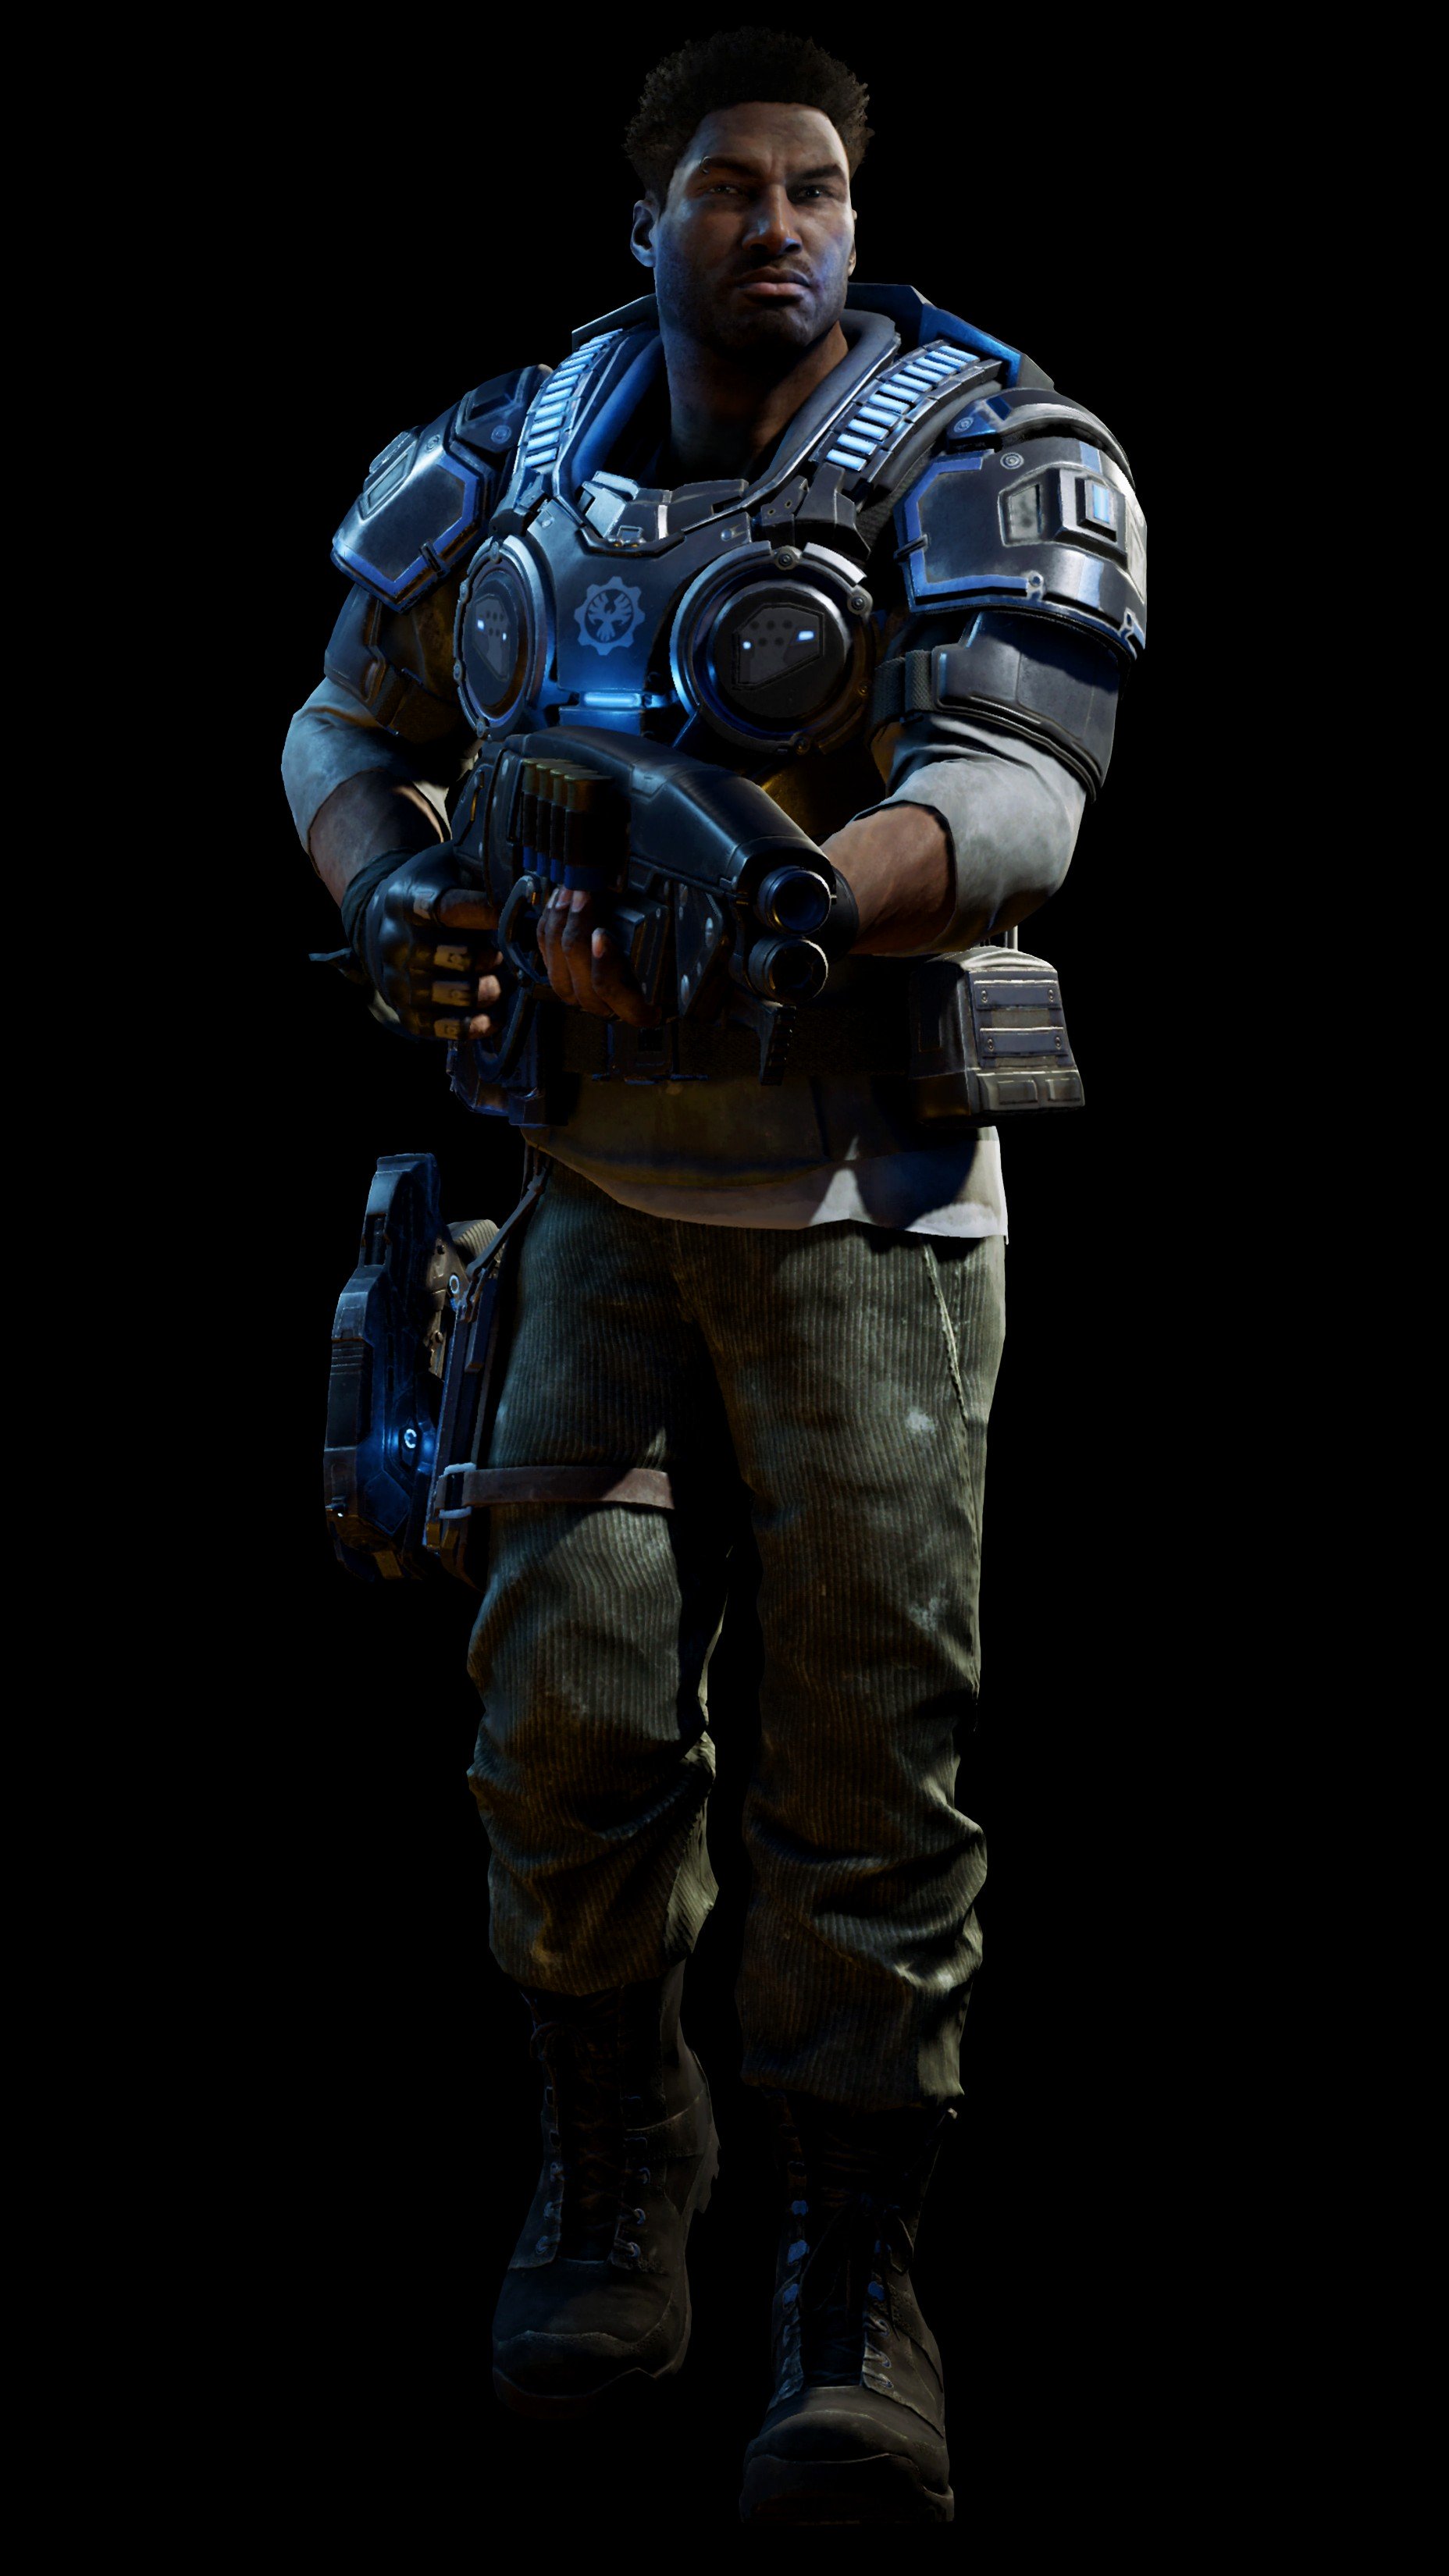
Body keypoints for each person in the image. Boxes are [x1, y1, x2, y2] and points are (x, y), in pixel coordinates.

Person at [283, 27, 1145, 2528]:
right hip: (591, 1189)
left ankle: (852, 2280)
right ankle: (614, 2169)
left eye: (820, 189)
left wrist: (800, 895)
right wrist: (399, 901)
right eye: (733, 188)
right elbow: (339, 721)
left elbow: (1021, 789)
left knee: (865, 1761)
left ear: (860, 216)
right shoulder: (512, 451)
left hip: (869, 1204)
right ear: (645, 216)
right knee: (559, 1718)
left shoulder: (977, 443)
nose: (782, 227)